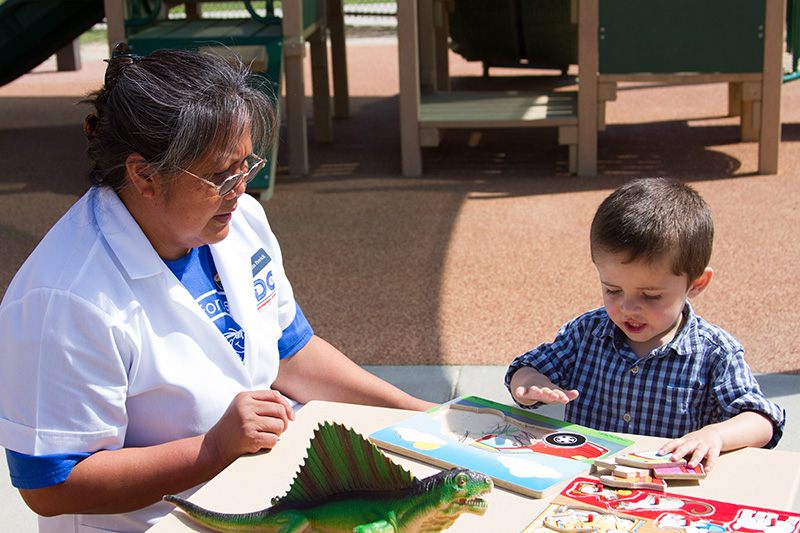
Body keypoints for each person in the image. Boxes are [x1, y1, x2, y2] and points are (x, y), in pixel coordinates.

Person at [0, 44, 434, 533]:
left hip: (261, 497)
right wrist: (212, 448)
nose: (240, 188)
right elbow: (50, 486)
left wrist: (424, 418)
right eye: (218, 175)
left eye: (247, 165)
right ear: (144, 174)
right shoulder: (63, 299)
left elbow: (291, 354)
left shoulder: (235, 220)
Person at [505, 178, 784, 473]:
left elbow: (761, 420)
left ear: (696, 283)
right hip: (586, 480)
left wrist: (714, 435)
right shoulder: (586, 333)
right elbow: (527, 368)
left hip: (666, 492)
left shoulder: (714, 353)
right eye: (613, 290)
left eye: (651, 295)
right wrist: (528, 383)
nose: (628, 307)